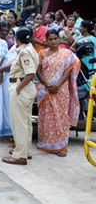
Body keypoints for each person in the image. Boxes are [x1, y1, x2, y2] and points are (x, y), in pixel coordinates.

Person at [36, 29, 80, 157]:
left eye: (55, 38)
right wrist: (48, 85)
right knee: (46, 117)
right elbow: (38, 72)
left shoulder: (66, 53)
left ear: (58, 39)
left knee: (61, 117)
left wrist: (57, 85)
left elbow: (68, 71)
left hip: (61, 90)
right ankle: (46, 143)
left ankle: (62, 146)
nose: (53, 41)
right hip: (45, 90)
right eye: (50, 39)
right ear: (47, 41)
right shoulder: (42, 53)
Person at [2, 27, 39, 165]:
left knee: (19, 124)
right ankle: (24, 150)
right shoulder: (30, 49)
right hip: (26, 89)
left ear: (17, 39)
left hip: (22, 88)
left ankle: (20, 156)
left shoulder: (24, 52)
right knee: (25, 122)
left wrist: (18, 88)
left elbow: (30, 73)